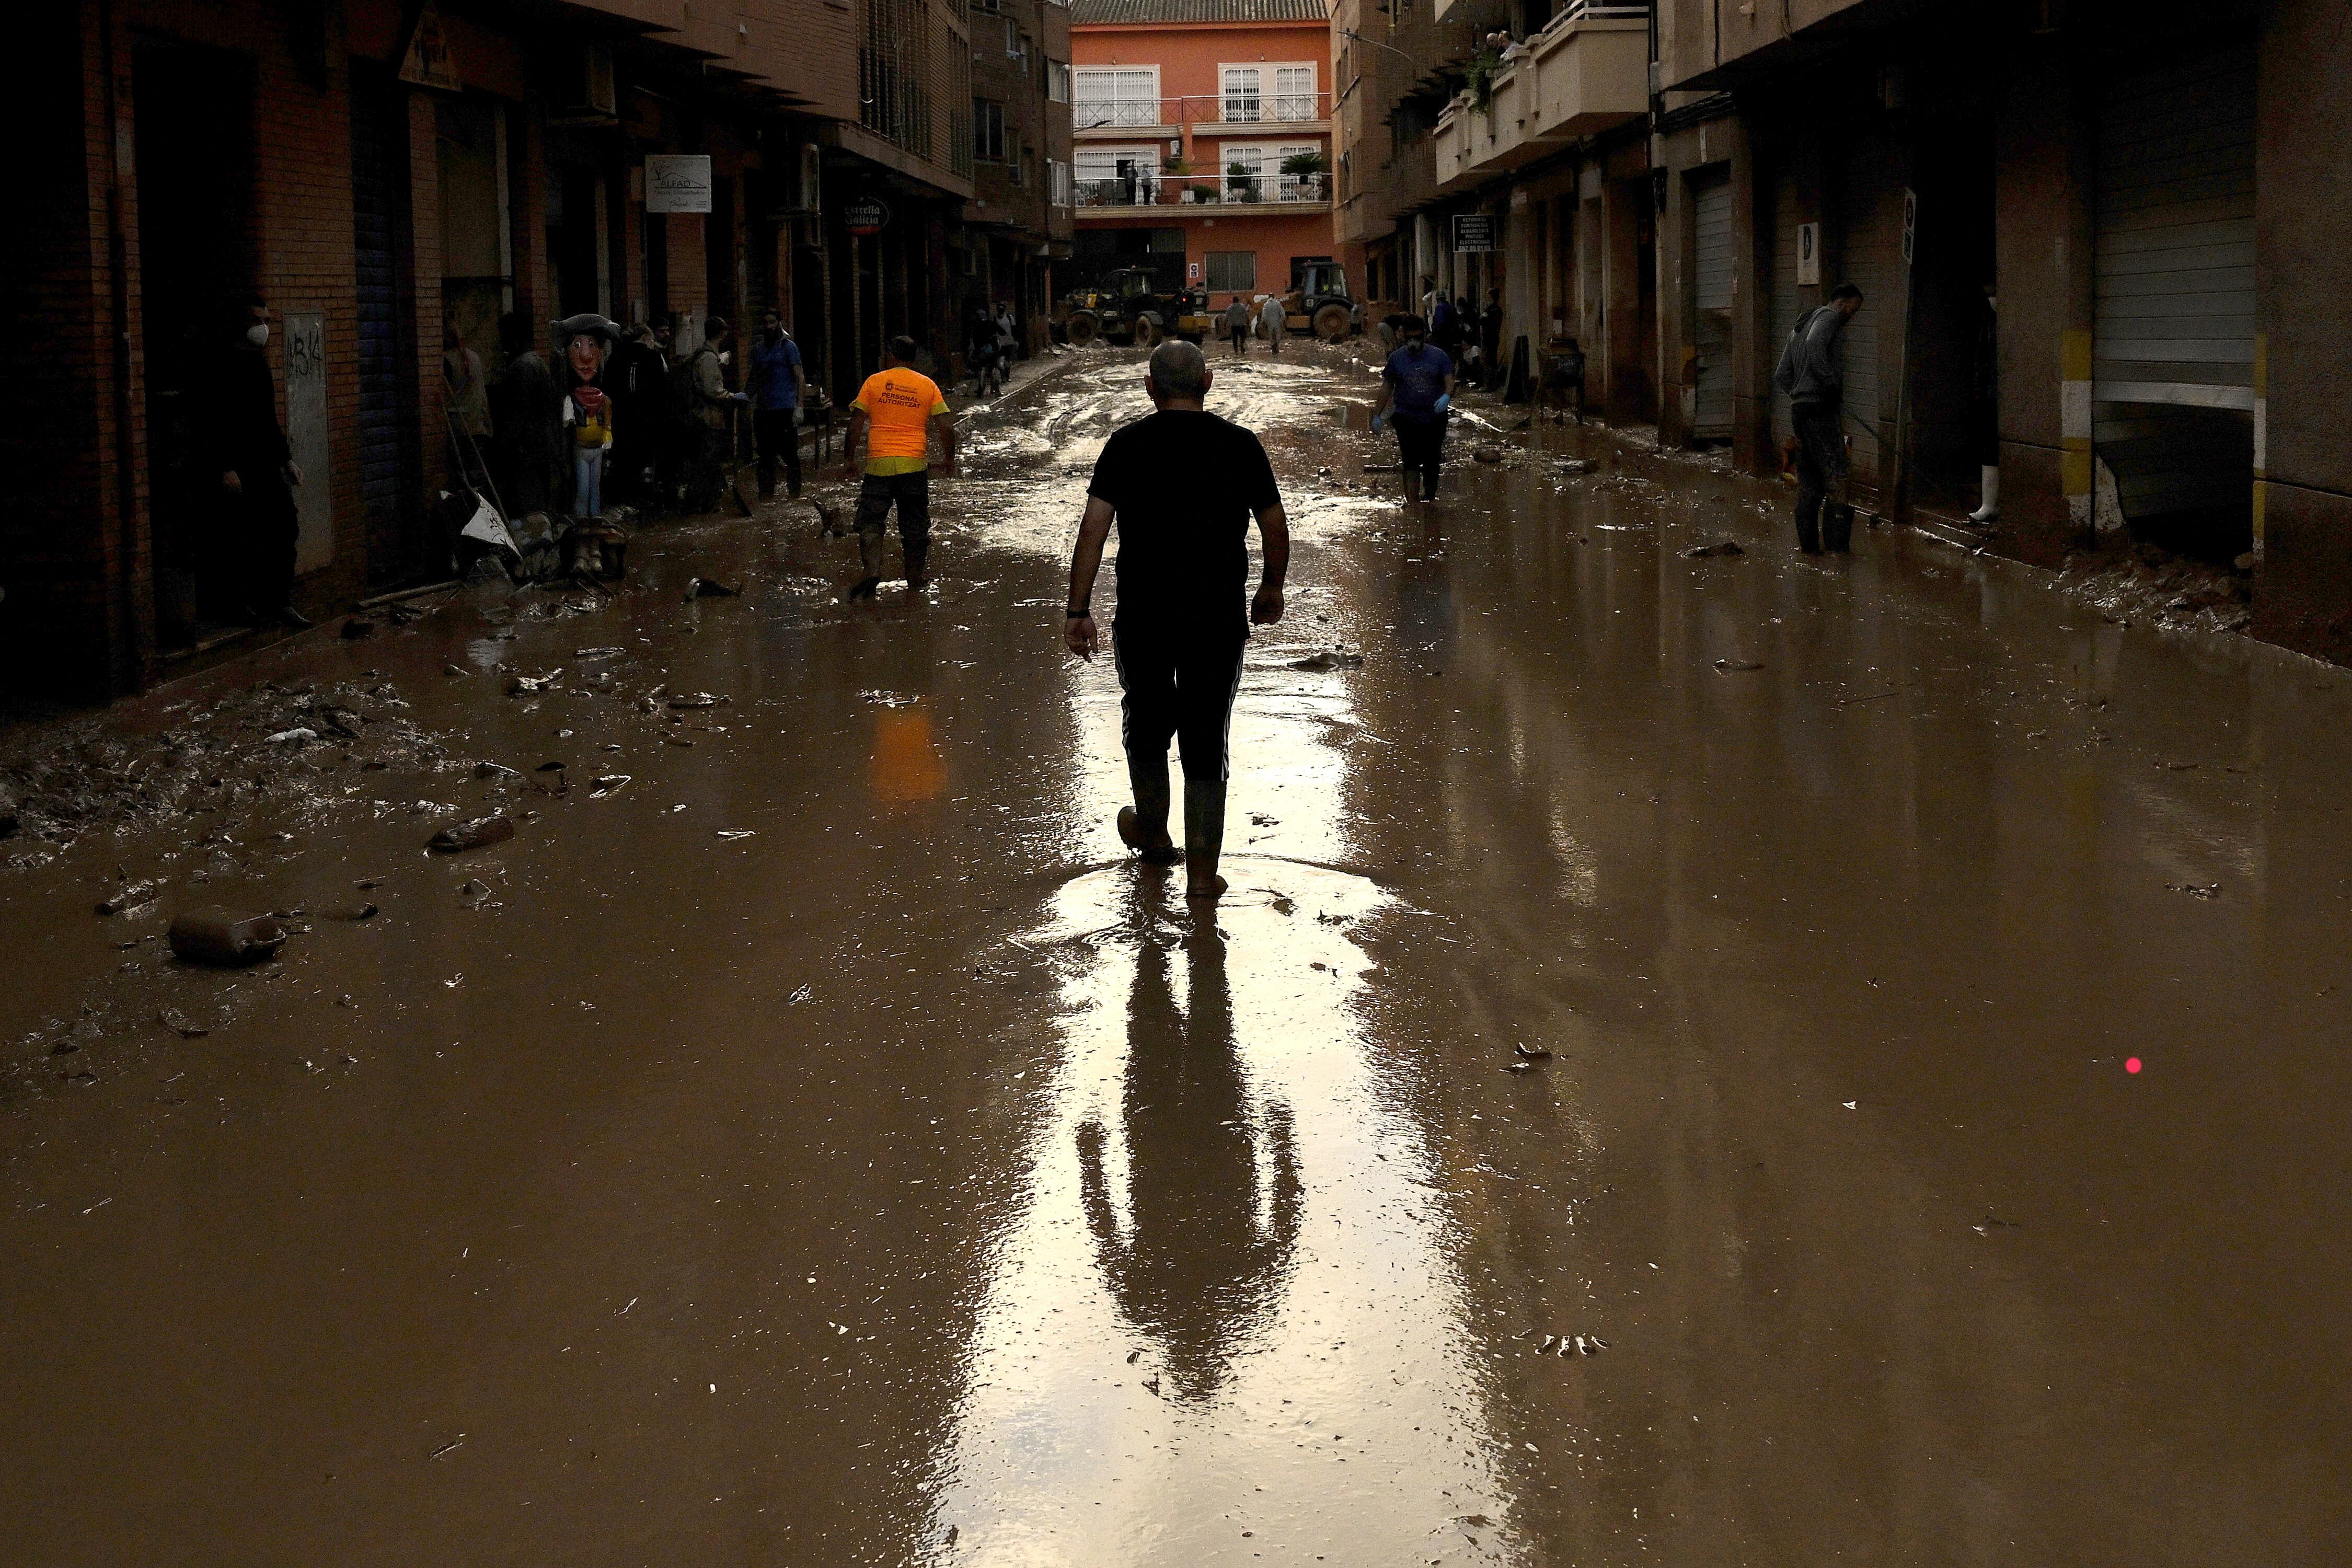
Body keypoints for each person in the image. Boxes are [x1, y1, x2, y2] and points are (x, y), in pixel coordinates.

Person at [1062, 339, 1289, 904]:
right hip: (1216, 617)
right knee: (1206, 731)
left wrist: (1078, 609)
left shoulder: (1125, 445)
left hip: (1144, 615)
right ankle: (1202, 877)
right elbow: (1274, 523)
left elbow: (1092, 530)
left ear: (1150, 388)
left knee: (1145, 718)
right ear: (1207, 383)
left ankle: (1155, 835)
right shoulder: (1239, 444)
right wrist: (1271, 586)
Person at [190, 294, 309, 628]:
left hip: (263, 464)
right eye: (258, 321)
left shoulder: (259, 363)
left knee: (284, 526)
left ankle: (278, 601)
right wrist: (223, 466)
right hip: (235, 467)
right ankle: (237, 605)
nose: (264, 328)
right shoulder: (216, 364)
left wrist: (285, 460)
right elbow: (208, 421)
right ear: (240, 323)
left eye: (267, 321)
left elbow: (267, 418)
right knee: (237, 536)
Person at [843, 334, 956, 597]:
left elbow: (856, 424)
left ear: (891, 356)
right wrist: (949, 459)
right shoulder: (928, 386)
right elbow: (946, 427)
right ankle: (914, 580)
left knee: (870, 520)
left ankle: (873, 571)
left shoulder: (874, 382)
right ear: (914, 359)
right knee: (915, 525)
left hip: (878, 465)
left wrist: (849, 459)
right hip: (914, 466)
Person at [1772, 281, 1865, 554]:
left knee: (1810, 480)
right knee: (1837, 474)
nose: (1852, 316)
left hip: (1800, 412)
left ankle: (1810, 550)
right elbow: (1814, 345)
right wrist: (1828, 384)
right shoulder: (1829, 317)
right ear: (1842, 303)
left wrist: (1800, 394)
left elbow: (1782, 374)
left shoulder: (1799, 326)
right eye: (1853, 310)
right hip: (1820, 411)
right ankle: (1837, 552)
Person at [1371, 314, 1457, 504]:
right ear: (1403, 336)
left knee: (1432, 458)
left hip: (1434, 417)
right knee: (1410, 459)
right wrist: (1377, 414)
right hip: (1406, 417)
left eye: (1417, 337)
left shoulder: (1439, 356)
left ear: (1424, 335)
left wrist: (1446, 396)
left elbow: (1450, 381)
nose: (1413, 342)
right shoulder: (1396, 358)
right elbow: (1387, 387)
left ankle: (1429, 497)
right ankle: (1413, 503)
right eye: (1409, 337)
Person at [490, 311, 559, 517]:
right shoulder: (536, 363)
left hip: (526, 449)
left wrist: (504, 444)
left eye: (503, 336)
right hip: (539, 444)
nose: (500, 343)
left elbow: (517, 414)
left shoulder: (522, 368)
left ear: (514, 340)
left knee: (526, 506)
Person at [681, 317, 749, 512]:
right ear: (722, 334)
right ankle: (695, 505)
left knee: (710, 464)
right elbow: (713, 391)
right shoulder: (708, 358)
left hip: (702, 417)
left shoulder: (703, 354)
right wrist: (733, 397)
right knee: (707, 464)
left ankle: (710, 503)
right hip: (707, 418)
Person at [556, 316, 617, 517]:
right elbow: (567, 426)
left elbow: (607, 425)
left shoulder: (604, 400)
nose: (586, 355)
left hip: (597, 449)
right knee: (583, 487)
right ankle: (582, 520)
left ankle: (595, 518)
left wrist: (607, 440)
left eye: (592, 345)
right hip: (581, 448)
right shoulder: (571, 400)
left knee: (595, 486)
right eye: (577, 346)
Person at [748, 317, 806, 500]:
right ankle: (766, 494)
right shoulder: (759, 349)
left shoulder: (789, 348)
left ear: (779, 324)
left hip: (784, 410)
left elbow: (800, 378)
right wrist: (746, 398)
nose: (768, 326)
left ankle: (794, 493)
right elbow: (754, 377)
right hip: (764, 409)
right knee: (765, 455)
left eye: (772, 322)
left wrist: (799, 406)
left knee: (790, 454)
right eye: (765, 323)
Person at [1969, 283, 1999, 524]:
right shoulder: (1988, 319)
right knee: (1989, 446)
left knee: (1991, 446)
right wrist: (1980, 389)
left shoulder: (1995, 319)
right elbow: (1981, 357)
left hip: (1998, 391)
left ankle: (1991, 504)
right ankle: (1989, 504)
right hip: (1991, 392)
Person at [1479, 290, 1505, 391]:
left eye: (1489, 297)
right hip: (1493, 337)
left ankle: (1489, 385)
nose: (1487, 300)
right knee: (1492, 361)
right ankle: (1492, 384)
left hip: (1489, 338)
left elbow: (1482, 321)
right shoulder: (1497, 310)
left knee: (1488, 361)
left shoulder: (1491, 310)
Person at [1223, 294, 1253, 358]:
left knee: (1235, 340)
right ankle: (1241, 345)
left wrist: (1225, 325)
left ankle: (1236, 351)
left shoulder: (1230, 308)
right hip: (1242, 326)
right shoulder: (1242, 307)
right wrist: (1248, 323)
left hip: (1234, 326)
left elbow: (1226, 318)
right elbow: (1246, 316)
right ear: (1238, 300)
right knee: (1243, 337)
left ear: (1233, 301)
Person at [1258, 291, 1286, 356]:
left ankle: (1273, 345)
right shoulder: (1278, 304)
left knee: (1270, 335)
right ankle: (1276, 346)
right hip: (1277, 323)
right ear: (1274, 297)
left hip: (1269, 323)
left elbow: (1264, 316)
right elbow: (1283, 314)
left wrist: (1263, 322)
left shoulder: (1266, 305)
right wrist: (1282, 321)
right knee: (1278, 335)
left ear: (1269, 297)